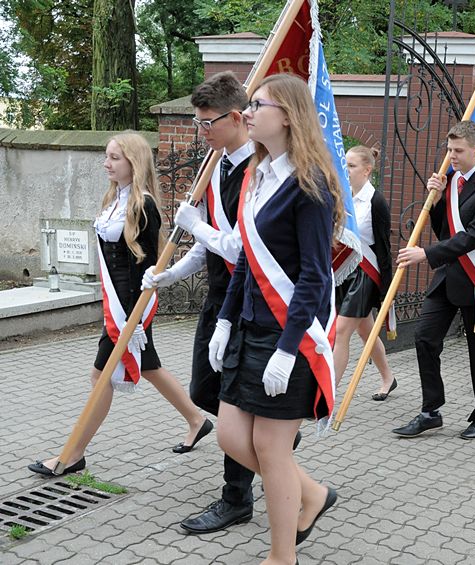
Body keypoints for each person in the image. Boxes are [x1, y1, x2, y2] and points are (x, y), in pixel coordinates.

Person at [208, 74, 339, 564]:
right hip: (247, 325)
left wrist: (287, 349)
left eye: (257, 104)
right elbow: (247, 259)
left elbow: (313, 277)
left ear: (286, 115)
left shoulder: (311, 184)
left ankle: (282, 557)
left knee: (271, 450)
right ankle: (312, 494)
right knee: (230, 436)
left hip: (289, 335)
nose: (247, 111)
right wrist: (224, 320)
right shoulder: (255, 176)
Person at [141, 71, 279, 534]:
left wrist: (194, 225)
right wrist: (168, 276)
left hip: (248, 300)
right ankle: (273, 449)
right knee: (205, 391)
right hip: (219, 296)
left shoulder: (257, 172)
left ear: (236, 117)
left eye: (206, 123)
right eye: (198, 123)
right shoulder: (218, 167)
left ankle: (237, 495)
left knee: (231, 399)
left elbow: (243, 247)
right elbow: (207, 248)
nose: (201, 131)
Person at [28, 133, 210, 477]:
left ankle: (72, 454)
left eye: (114, 158)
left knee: (102, 376)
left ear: (133, 163)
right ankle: (196, 419)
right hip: (118, 307)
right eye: (107, 156)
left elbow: (148, 266)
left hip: (130, 309)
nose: (106, 163)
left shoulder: (143, 205)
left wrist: (134, 319)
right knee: (149, 366)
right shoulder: (114, 198)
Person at [392, 120, 475, 440]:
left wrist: (425, 254)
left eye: (458, 150)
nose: (451, 155)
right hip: (446, 277)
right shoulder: (450, 181)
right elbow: (445, 231)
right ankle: (431, 410)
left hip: (474, 279)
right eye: (449, 149)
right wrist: (438, 199)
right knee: (425, 338)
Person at [333, 145, 396, 400]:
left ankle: (327, 395)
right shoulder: (342, 196)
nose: (346, 170)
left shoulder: (375, 201)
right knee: (365, 331)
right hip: (344, 271)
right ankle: (388, 377)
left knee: (340, 331)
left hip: (365, 274)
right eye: (345, 165)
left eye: (351, 166)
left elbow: (384, 247)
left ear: (367, 170)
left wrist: (387, 291)